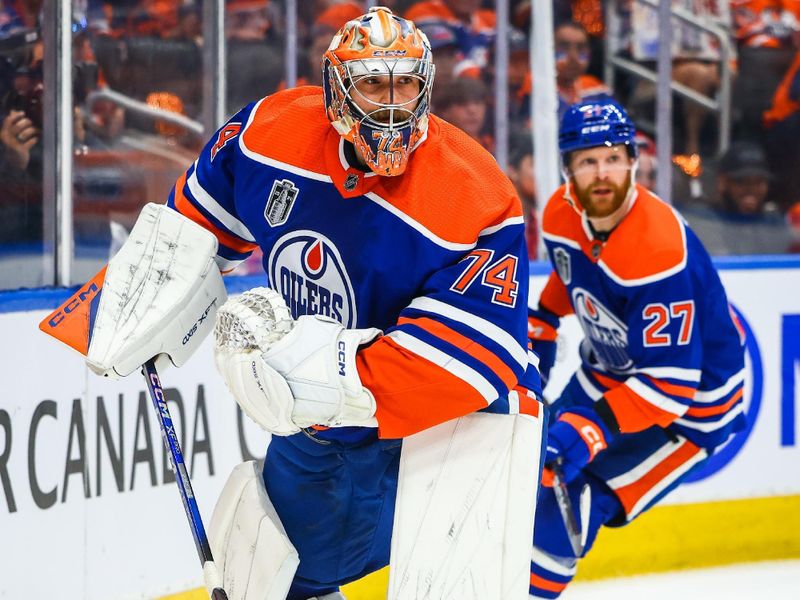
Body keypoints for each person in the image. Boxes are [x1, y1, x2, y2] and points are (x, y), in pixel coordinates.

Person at [166, 7, 539, 599]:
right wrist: (148, 298)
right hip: (324, 422)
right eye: (372, 82)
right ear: (337, 89)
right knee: (270, 578)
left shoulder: (474, 193)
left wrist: (303, 375)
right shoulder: (268, 134)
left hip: (454, 425)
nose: (392, 104)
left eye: (405, 84)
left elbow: (466, 362)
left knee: (449, 590)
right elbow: (192, 233)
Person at [526, 99, 746, 598]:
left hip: (690, 406)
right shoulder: (560, 213)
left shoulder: (658, 250)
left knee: (564, 500)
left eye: (612, 158)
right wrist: (541, 322)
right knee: (524, 467)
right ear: (568, 171)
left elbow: (670, 386)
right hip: (612, 371)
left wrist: (591, 426)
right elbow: (572, 274)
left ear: (633, 161)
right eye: (587, 160)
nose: (601, 172)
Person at [680, 141, 794, 254]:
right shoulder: (703, 221)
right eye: (742, 181)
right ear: (722, 182)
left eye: (759, 182)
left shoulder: (774, 223)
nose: (752, 189)